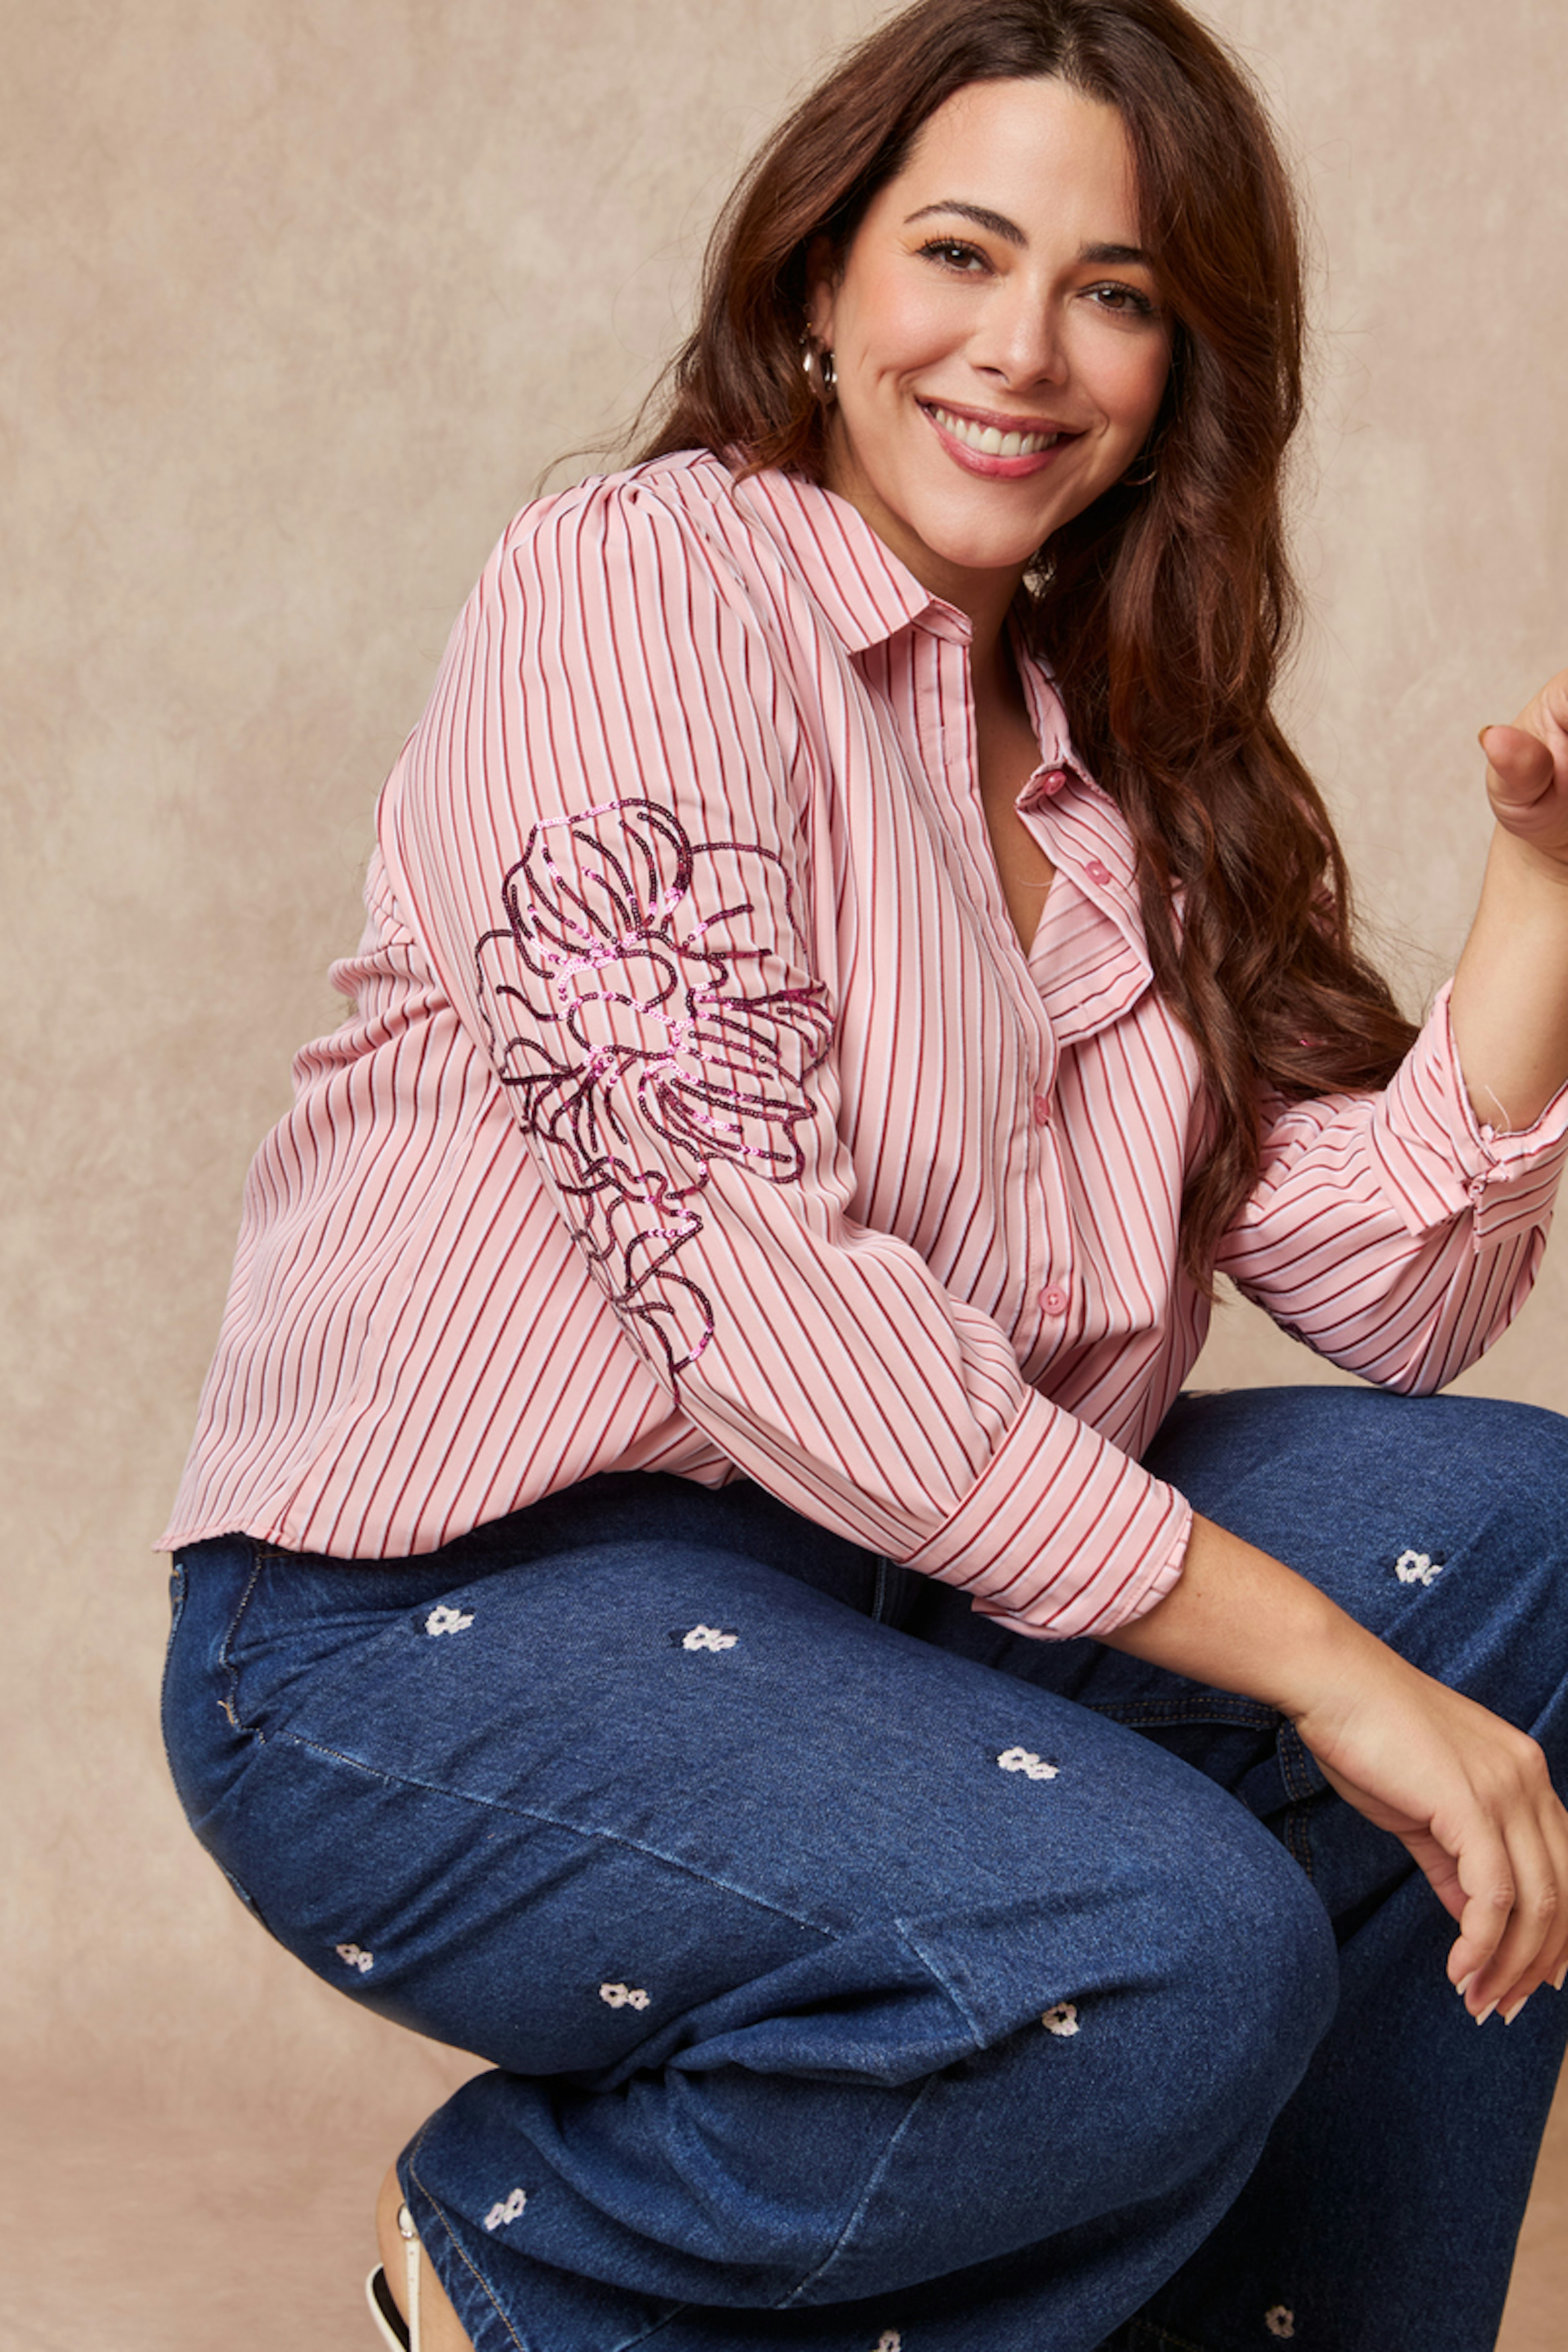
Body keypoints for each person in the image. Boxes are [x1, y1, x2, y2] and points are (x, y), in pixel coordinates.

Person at [158, 2, 1568, 2345]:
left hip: (892, 1604)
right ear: (822, 282)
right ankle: (524, 2278)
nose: (1024, 351)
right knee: (1163, 1941)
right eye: (961, 254)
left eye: (1116, 293)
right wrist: (1322, 1667)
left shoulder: (1121, 767)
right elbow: (755, 1290)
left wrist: (1548, 889)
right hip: (425, 1632)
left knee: (1527, 1544)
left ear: (1180, 374)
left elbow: (1398, 1299)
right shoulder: (641, 586)